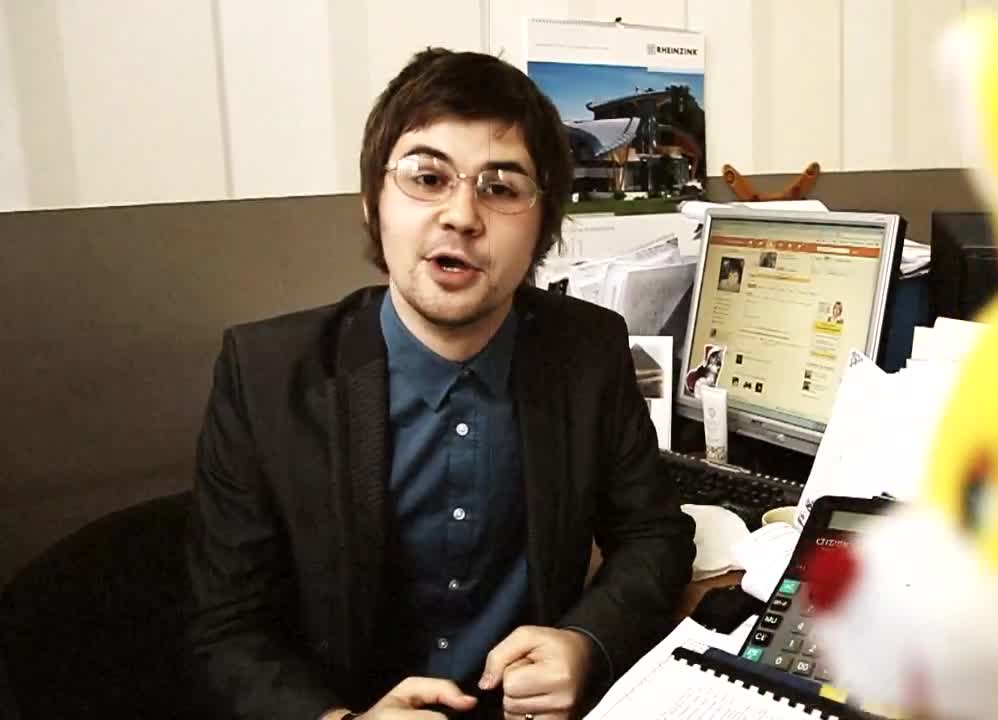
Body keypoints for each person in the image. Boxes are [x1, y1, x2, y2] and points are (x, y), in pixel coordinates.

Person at [185, 48, 695, 720]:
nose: (462, 215)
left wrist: (585, 642)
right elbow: (227, 629)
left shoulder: (588, 349)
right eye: (427, 178)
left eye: (501, 188)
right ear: (372, 203)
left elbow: (655, 537)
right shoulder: (265, 374)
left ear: (544, 226)